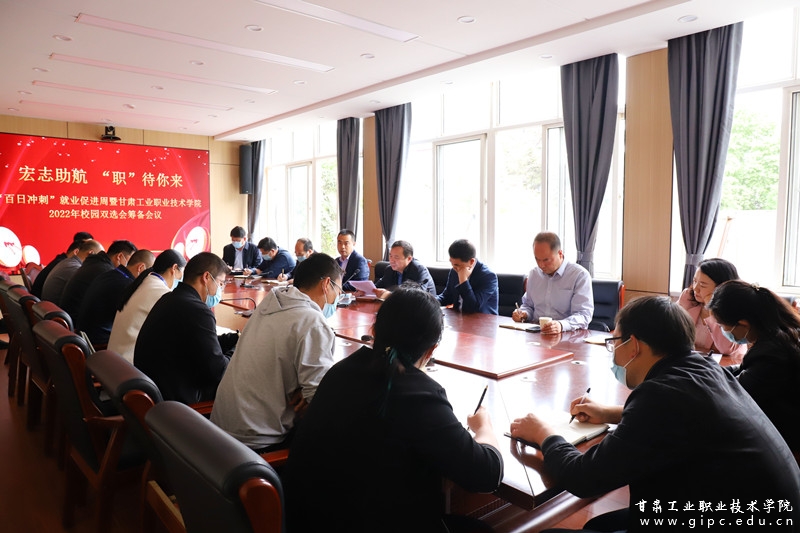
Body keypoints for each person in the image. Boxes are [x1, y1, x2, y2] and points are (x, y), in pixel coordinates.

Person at [510, 296, 800, 532]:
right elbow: (680, 418)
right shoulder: (705, 368)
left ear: (634, 345)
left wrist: (545, 434)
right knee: (599, 524)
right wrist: (608, 413)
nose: (613, 351)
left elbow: (584, 478)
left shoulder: (659, 395)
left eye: (615, 341)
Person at [284, 284, 504, 533]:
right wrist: (484, 428)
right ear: (431, 350)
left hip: (305, 519)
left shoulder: (340, 371)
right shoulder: (421, 395)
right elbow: (487, 475)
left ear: (373, 331)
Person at [211, 253, 342, 452]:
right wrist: (311, 393)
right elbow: (320, 402)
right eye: (338, 291)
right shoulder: (312, 322)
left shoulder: (271, 302)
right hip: (255, 443)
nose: (338, 299)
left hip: (218, 431)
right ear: (326, 284)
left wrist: (306, 390)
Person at [707, 280, 800, 456]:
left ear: (743, 324)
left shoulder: (772, 354)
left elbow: (734, 393)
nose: (721, 330)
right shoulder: (778, 334)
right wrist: (711, 369)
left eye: (722, 325)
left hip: (786, 444)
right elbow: (744, 369)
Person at [134, 252, 237, 404]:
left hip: (159, 388)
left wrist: (234, 338)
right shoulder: (197, 310)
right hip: (178, 403)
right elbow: (218, 372)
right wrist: (237, 350)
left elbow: (201, 343)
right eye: (220, 283)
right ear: (206, 277)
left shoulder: (172, 298)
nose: (220, 289)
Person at [108, 249, 186, 363]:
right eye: (181, 275)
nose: (181, 280)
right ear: (174, 268)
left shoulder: (145, 282)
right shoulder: (160, 292)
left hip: (115, 358)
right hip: (128, 364)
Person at [512, 232, 593, 334]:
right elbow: (529, 305)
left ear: (560, 254)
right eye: (537, 259)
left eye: (546, 260)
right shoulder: (534, 274)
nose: (541, 265)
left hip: (568, 334)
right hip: (536, 332)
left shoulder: (579, 275)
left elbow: (583, 314)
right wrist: (524, 314)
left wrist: (561, 325)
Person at [76, 249, 154, 345]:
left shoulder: (109, 274)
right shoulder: (126, 285)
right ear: (140, 267)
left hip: (84, 334)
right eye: (150, 274)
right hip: (98, 343)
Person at [677, 258, 746, 358]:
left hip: (726, 363)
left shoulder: (735, 308)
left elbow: (726, 350)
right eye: (695, 281)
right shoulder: (688, 298)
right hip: (691, 360)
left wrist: (712, 309)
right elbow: (673, 335)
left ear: (721, 287)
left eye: (702, 285)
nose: (695, 288)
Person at [60, 240, 138, 320]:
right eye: (130, 261)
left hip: (69, 317)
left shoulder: (95, 263)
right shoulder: (106, 272)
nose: (130, 265)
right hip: (75, 322)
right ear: (119, 256)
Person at [436, 239, 498, 314]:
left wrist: (463, 280)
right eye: (451, 263)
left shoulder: (488, 276)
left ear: (471, 262)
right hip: (458, 318)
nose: (454, 267)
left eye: (457, 265)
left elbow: (473, 307)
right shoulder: (454, 270)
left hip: (482, 319)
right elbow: (447, 297)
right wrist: (429, 302)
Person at [41, 239, 103, 305]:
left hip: (46, 308)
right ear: (91, 253)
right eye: (99, 259)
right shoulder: (76, 269)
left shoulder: (67, 262)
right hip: (55, 309)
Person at [31, 231, 93, 298]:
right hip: (41, 301)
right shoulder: (67, 265)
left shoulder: (62, 261)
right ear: (76, 251)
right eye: (88, 248)